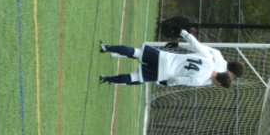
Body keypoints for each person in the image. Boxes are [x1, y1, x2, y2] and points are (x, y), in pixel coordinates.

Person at [99, 30, 233, 87]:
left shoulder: (209, 59)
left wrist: (183, 32)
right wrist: (166, 83)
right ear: (219, 83)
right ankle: (105, 79)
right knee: (135, 77)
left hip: (164, 57)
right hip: (163, 72)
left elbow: (195, 44)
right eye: (219, 85)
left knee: (136, 52)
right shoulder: (200, 80)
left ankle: (106, 48)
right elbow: (178, 80)